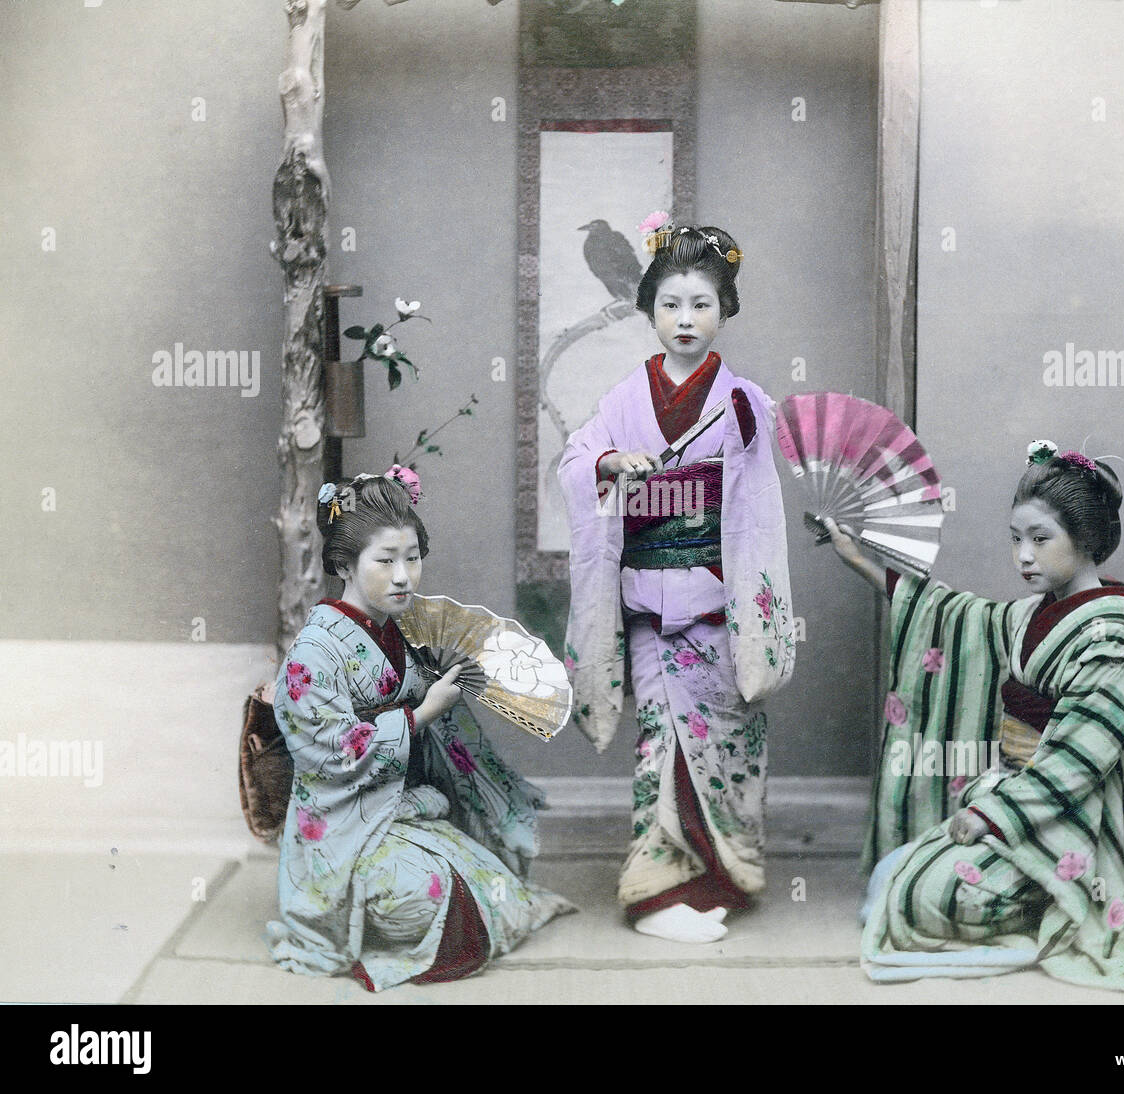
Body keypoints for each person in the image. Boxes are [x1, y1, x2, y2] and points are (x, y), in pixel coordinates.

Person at [827, 440, 1124, 990]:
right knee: (888, 878)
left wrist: (993, 816)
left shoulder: (1111, 643)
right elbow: (952, 616)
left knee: (923, 895)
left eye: (1040, 539)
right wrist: (858, 560)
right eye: (1016, 540)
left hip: (1071, 813)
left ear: (1084, 540)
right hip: (1012, 792)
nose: (1024, 557)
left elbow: (1076, 762)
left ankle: (1056, 903)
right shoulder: (1033, 615)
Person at [558, 219, 795, 944]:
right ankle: (658, 893)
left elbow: (754, 508)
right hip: (650, 605)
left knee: (726, 744)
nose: (684, 319)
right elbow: (576, 461)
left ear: (724, 310)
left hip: (718, 603)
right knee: (662, 742)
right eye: (670, 303)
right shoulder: (624, 397)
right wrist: (608, 466)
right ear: (649, 309)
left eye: (700, 303)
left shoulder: (743, 400)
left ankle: (720, 877)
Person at [265, 468, 573, 991]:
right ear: (344, 563)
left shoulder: (403, 635)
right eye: (385, 561)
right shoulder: (313, 653)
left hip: (397, 808)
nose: (404, 575)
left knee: (494, 881)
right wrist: (422, 713)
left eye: (412, 558)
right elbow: (333, 755)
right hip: (343, 829)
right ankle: (354, 926)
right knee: (432, 891)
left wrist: (443, 700)